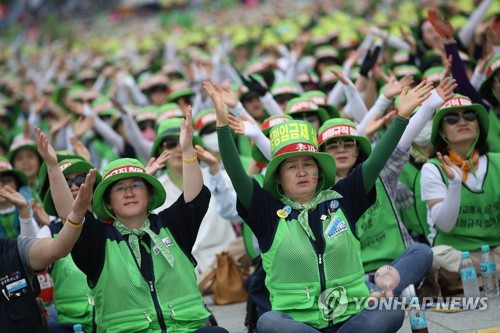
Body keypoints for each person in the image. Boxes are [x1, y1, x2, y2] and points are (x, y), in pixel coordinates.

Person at [208, 79, 433, 333]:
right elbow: (238, 176)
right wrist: (222, 124)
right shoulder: (267, 211)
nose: (302, 172)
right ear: (279, 177)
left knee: (390, 311)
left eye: (309, 164)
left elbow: (376, 161)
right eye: (292, 166)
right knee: (269, 321)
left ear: (320, 171)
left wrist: (402, 117)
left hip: (352, 318)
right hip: (301, 325)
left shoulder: (343, 197)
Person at [47, 107, 227, 332]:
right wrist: (53, 167)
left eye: (137, 185)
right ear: (109, 203)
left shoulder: (170, 225)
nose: (129, 192)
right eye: (120, 188)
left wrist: (188, 150)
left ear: (149, 194)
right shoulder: (98, 240)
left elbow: (194, 197)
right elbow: (68, 215)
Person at [316, 76, 455, 295]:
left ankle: (381, 293)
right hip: (355, 275)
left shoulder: (380, 174)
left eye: (348, 143)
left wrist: (427, 107)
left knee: (422, 252)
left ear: (357, 149)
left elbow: (400, 142)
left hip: (397, 264)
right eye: (332, 145)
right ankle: (390, 292)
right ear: (322, 153)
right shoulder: (315, 194)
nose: (341, 149)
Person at [0, 144, 96, 332]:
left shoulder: (111, 225)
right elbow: (26, 259)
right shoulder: (49, 230)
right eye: (66, 182)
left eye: (80, 179)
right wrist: (25, 214)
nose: (75, 186)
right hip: (70, 323)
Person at [420, 93, 500, 296]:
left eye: (470, 115)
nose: (462, 121)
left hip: (495, 249)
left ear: (479, 124)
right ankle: (489, 274)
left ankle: (478, 278)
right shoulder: (432, 169)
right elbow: (445, 224)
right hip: (458, 255)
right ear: (442, 131)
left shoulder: (497, 161)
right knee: (433, 257)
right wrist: (455, 184)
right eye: (452, 119)